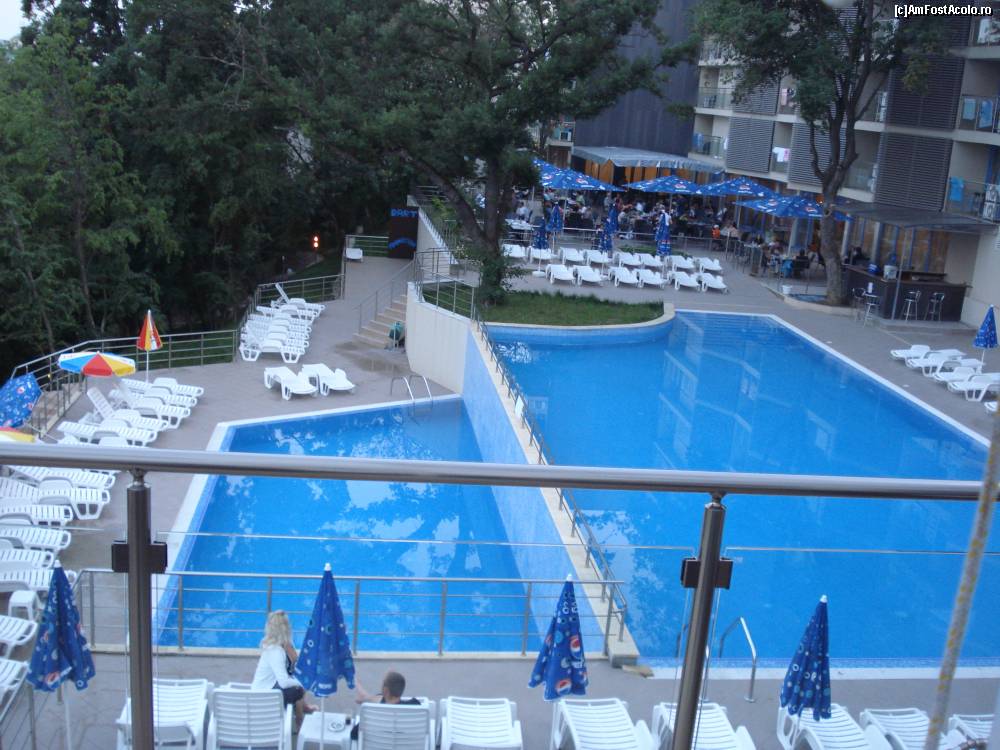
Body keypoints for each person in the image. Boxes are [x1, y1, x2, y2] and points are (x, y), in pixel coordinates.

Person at [251, 611, 317, 728]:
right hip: (265, 695)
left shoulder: (285, 644)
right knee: (297, 689)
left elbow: (295, 664)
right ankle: (299, 720)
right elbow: (284, 682)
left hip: (272, 685)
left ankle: (303, 708)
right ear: (285, 628)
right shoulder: (275, 651)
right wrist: (304, 683)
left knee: (300, 678)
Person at [351, 671, 422, 739]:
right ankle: (365, 697)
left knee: (378, 699)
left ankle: (364, 697)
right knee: (378, 699)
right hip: (405, 744)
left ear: (385, 690)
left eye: (383, 683)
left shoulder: (371, 714)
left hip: (378, 744)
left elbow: (353, 735)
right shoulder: (414, 707)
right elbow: (417, 702)